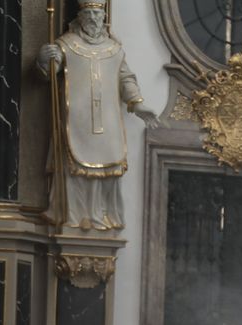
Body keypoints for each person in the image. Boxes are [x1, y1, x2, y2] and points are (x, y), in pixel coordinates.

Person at [37, 1, 159, 231]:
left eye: (97, 13)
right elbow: (49, 75)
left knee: (106, 166)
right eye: (89, 13)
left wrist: (137, 104)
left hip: (107, 121)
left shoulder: (114, 49)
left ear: (104, 16)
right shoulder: (66, 44)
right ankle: (71, 215)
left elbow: (126, 79)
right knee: (74, 167)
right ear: (80, 16)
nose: (93, 18)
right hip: (77, 119)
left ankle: (100, 215)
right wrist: (46, 58)